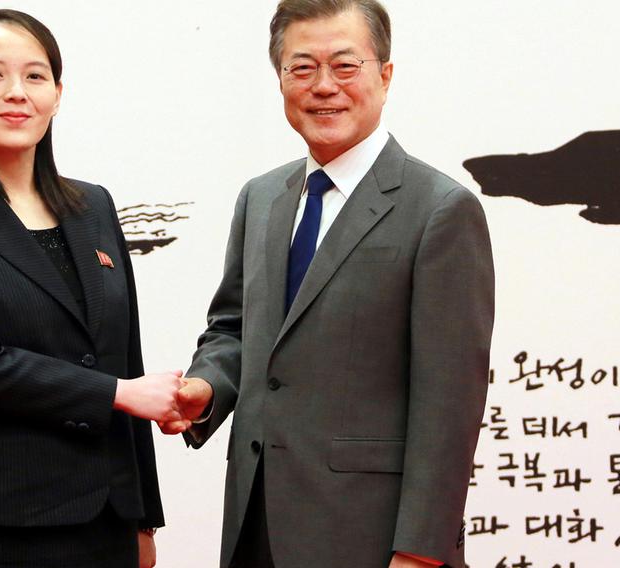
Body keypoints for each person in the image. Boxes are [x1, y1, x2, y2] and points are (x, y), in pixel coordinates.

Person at [161, 1, 495, 567]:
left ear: (384, 77)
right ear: (281, 79)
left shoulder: (440, 209)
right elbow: (235, 328)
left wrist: (419, 551)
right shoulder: (261, 197)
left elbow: (450, 404)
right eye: (302, 67)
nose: (323, 87)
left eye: (345, 66)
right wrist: (206, 389)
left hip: (368, 534)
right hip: (255, 519)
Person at [0, 9, 183, 568]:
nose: (16, 93)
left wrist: (142, 515)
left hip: (105, 523)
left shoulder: (94, 205)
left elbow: (124, 357)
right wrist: (118, 394)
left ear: (56, 93)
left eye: (34, 76)